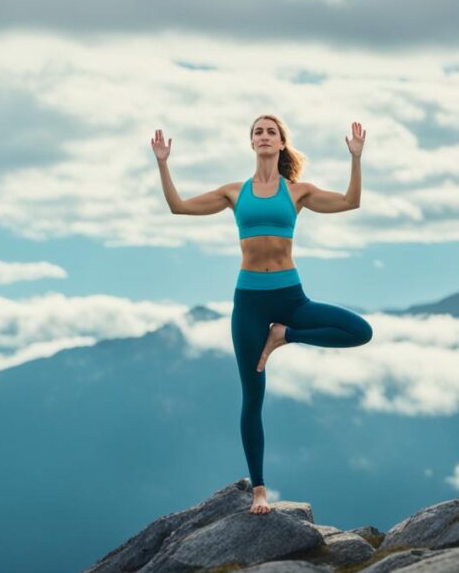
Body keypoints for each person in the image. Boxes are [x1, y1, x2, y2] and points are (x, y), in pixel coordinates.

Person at [152, 114, 373, 515]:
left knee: (360, 330)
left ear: (281, 143)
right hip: (250, 303)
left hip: (290, 299)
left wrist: (356, 158)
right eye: (258, 132)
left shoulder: (298, 192)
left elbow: (349, 201)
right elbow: (179, 207)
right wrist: (163, 164)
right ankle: (259, 488)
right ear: (251, 143)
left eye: (271, 131)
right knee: (252, 397)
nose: (265, 136)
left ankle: (284, 337)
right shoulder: (234, 193)